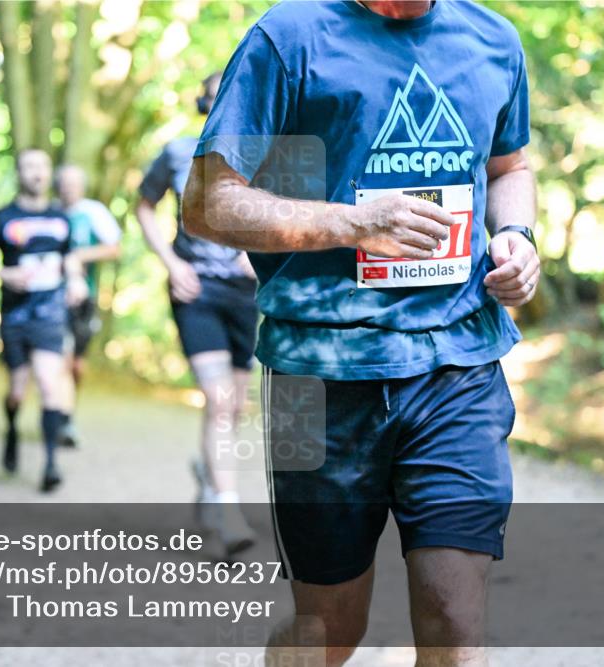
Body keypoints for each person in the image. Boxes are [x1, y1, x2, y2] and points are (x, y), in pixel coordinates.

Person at [183, 1, 538, 665]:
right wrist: (350, 222)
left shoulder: (493, 38)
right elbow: (206, 203)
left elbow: (509, 166)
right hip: (314, 376)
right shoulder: (286, 39)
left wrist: (516, 235)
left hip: (457, 363)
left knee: (454, 617)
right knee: (329, 631)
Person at [136, 72, 260, 557]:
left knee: (232, 407)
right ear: (204, 102)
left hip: (246, 295)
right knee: (217, 397)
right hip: (196, 290)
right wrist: (170, 262)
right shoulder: (175, 152)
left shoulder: (264, 156)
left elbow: (293, 212)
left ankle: (209, 478)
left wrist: (262, 253)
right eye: (217, 95)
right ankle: (228, 512)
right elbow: (144, 207)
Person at [0, 148, 87, 493]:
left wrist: (77, 279)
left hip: (50, 313)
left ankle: (50, 464)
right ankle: (11, 430)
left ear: (48, 173)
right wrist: (3, 274)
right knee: (17, 391)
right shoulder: (3, 217)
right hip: (15, 315)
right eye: (28, 166)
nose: (35, 172)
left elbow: (71, 257)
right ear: (20, 173)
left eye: (41, 166)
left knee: (51, 386)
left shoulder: (61, 217)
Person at [54, 164, 123, 447]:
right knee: (62, 358)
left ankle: (67, 413)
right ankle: (62, 420)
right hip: (53, 296)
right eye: (64, 183)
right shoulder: (50, 212)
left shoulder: (93, 212)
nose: (69, 188)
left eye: (74, 183)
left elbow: (114, 248)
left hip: (84, 298)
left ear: (82, 186)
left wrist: (79, 256)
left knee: (76, 366)